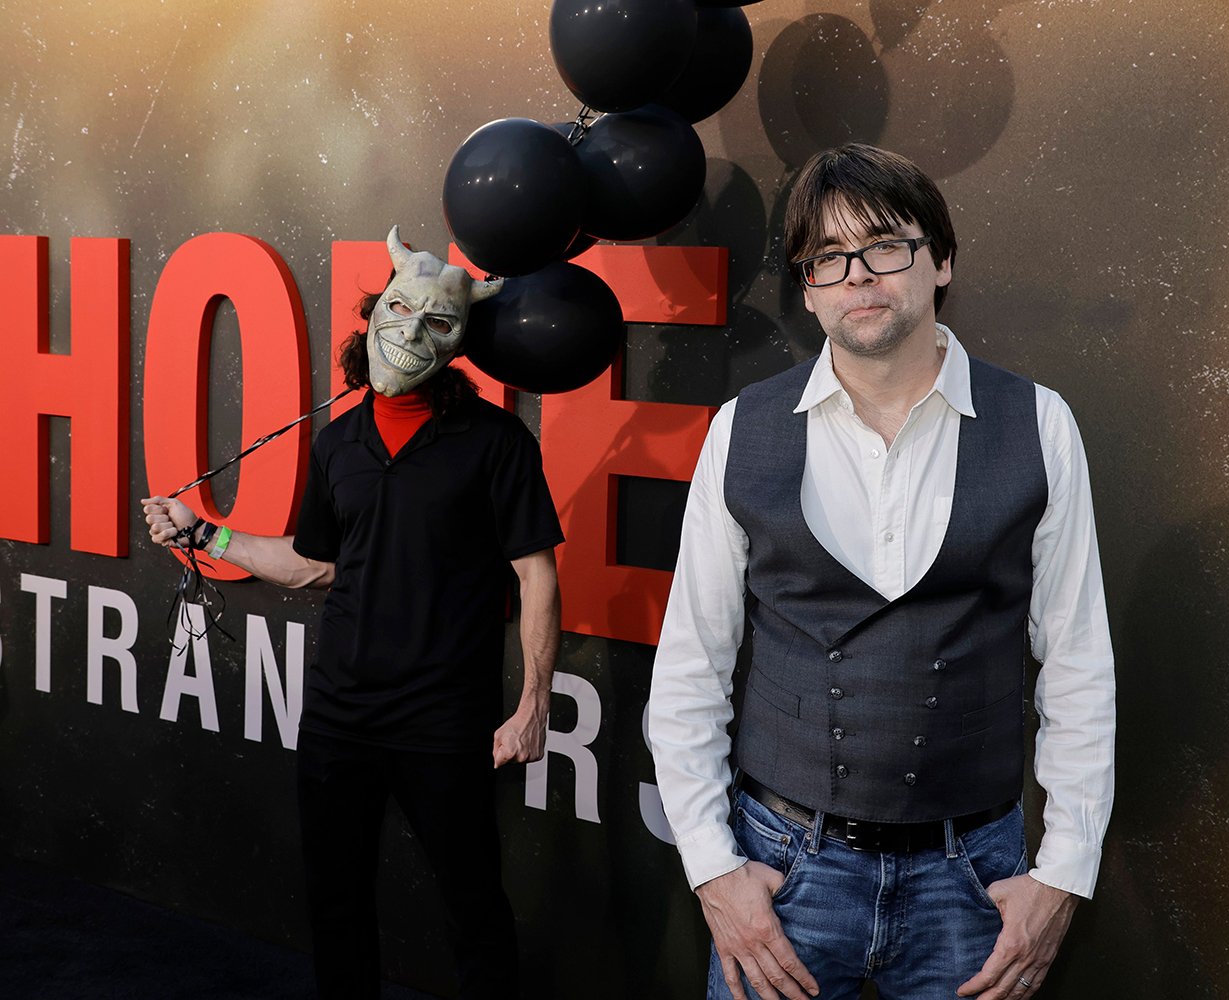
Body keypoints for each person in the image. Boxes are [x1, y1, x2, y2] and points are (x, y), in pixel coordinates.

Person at [648, 144, 1115, 1000]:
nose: (858, 275)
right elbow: (690, 666)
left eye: (885, 245)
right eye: (828, 257)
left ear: (941, 260)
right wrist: (715, 872)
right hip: (782, 870)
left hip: (971, 878)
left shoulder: (1039, 425)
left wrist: (1064, 874)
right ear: (808, 286)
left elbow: (1079, 666)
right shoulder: (741, 430)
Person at [141, 228, 563, 999]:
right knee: (336, 906)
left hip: (443, 717)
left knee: (473, 905)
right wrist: (206, 530)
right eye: (399, 310)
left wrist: (534, 704)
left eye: (437, 322)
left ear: (460, 340)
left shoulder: (497, 442)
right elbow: (317, 565)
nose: (409, 332)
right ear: (372, 318)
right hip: (339, 714)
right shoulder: (337, 445)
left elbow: (536, 574)